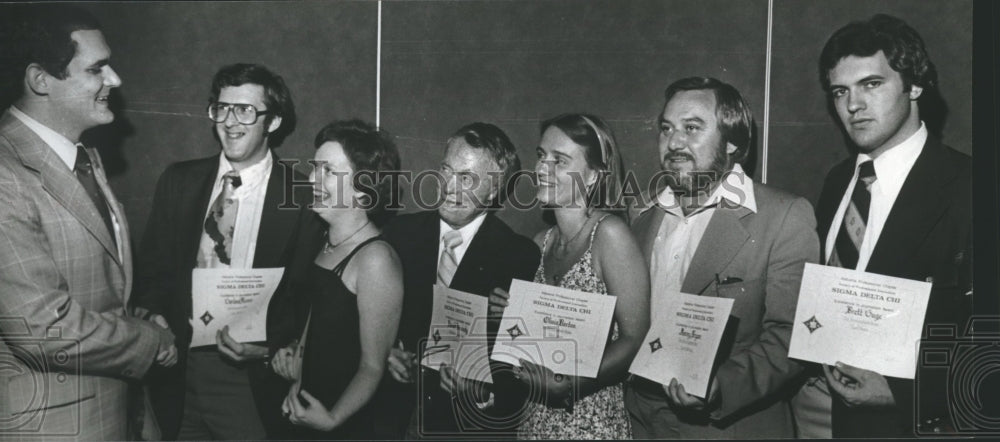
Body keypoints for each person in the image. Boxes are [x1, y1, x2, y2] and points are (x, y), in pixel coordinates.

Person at [0, 5, 176, 441]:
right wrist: (150, 341)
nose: (114, 80)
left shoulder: (84, 157)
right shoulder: (6, 175)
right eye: (97, 69)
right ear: (41, 80)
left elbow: (103, 292)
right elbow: (43, 329)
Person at [791, 14, 972, 438]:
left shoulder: (971, 188)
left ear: (914, 86)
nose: (853, 105)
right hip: (813, 407)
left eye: (871, 84)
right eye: (840, 91)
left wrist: (905, 393)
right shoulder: (839, 180)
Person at [131, 63, 323, 440]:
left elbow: (307, 299)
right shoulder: (179, 181)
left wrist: (266, 350)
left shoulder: (302, 197)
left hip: (251, 383)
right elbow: (151, 273)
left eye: (245, 110)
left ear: (273, 121)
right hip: (178, 373)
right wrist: (152, 315)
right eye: (222, 108)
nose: (230, 121)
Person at [623, 77, 820, 438]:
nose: (674, 142)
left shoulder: (784, 215)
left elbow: (793, 335)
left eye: (692, 128)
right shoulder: (641, 214)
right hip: (640, 419)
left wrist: (721, 386)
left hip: (726, 425)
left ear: (732, 141)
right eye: (666, 129)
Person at [374, 122, 540, 439]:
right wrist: (384, 352)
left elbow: (521, 361)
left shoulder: (519, 256)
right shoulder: (398, 235)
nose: (449, 186)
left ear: (494, 190)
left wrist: (485, 390)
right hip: (392, 418)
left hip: (463, 427)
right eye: (446, 170)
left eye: (466, 178)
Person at [489, 113, 650, 439]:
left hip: (591, 422)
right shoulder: (540, 242)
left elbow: (637, 337)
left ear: (592, 176)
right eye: (540, 155)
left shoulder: (610, 236)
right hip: (535, 421)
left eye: (559, 160)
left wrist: (569, 384)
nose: (541, 169)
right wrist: (507, 314)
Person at [268, 119, 404, 439]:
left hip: (344, 424)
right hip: (307, 412)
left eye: (328, 171)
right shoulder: (323, 242)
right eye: (315, 167)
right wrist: (296, 382)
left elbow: (373, 366)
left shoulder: (376, 260)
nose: (313, 178)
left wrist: (332, 419)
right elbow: (311, 327)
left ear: (363, 186)